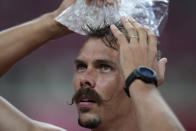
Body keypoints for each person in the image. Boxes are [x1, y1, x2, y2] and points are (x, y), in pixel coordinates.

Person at [0, 0, 185, 131]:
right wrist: (56, 22)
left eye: (104, 67)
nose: (84, 79)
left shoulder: (143, 84)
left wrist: (143, 83)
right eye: (81, 67)